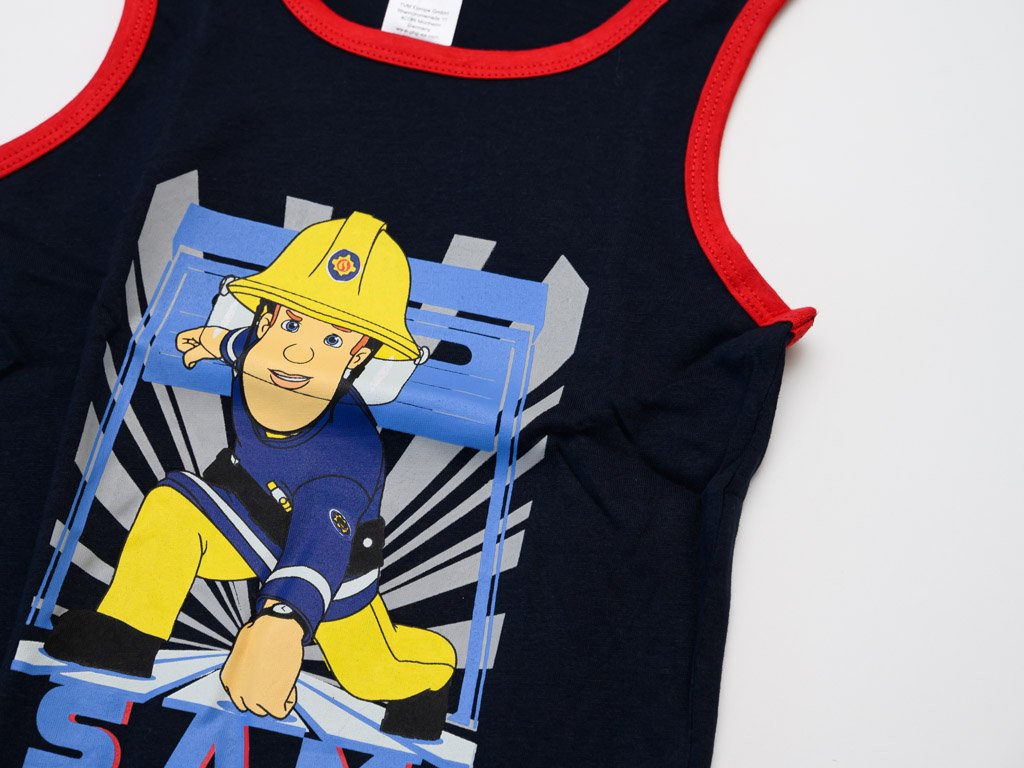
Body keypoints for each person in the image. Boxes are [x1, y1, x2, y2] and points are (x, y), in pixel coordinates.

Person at [44, 211, 456, 741]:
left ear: (359, 355)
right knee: (173, 507)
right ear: (265, 320)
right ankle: (124, 635)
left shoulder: (347, 456)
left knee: (372, 672)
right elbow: (238, 347)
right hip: (246, 512)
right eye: (291, 324)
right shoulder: (260, 355)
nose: (299, 351)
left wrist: (281, 624)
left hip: (329, 564)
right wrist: (209, 341)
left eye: (334, 341)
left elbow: (319, 547)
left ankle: (431, 673)